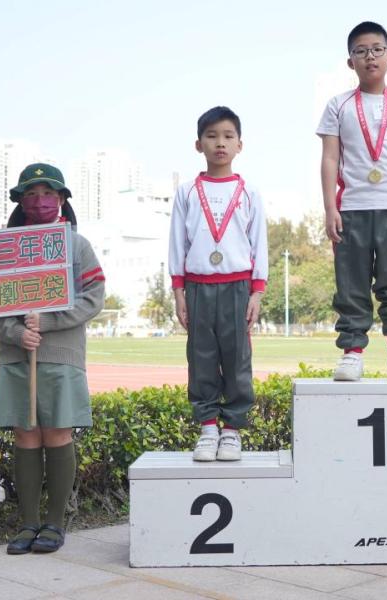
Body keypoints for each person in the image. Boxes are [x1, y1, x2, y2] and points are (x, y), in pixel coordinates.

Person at [0, 163, 105, 554]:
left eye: (48, 193)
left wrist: (48, 321)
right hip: (16, 354)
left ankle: (55, 523)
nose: (40, 201)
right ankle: (28, 522)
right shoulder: (5, 247)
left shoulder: (77, 245)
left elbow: (94, 296)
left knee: (58, 433)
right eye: (31, 194)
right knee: (26, 433)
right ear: (20, 202)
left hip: (62, 354)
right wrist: (16, 332)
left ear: (62, 198)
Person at [317, 21, 387, 382]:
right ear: (350, 61)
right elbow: (330, 158)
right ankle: (352, 353)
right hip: (351, 209)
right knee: (351, 284)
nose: (370, 57)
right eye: (361, 51)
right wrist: (330, 208)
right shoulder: (338, 105)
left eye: (377, 49)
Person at [169, 106, 268, 462]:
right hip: (197, 287)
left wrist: (257, 292)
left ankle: (232, 431)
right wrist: (179, 292)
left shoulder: (249, 192)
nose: (220, 143)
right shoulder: (186, 192)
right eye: (211, 136)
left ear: (240, 144)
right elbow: (177, 243)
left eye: (228, 136)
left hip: (238, 286)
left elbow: (259, 243)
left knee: (237, 359)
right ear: (199, 145)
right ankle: (208, 427)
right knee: (201, 359)